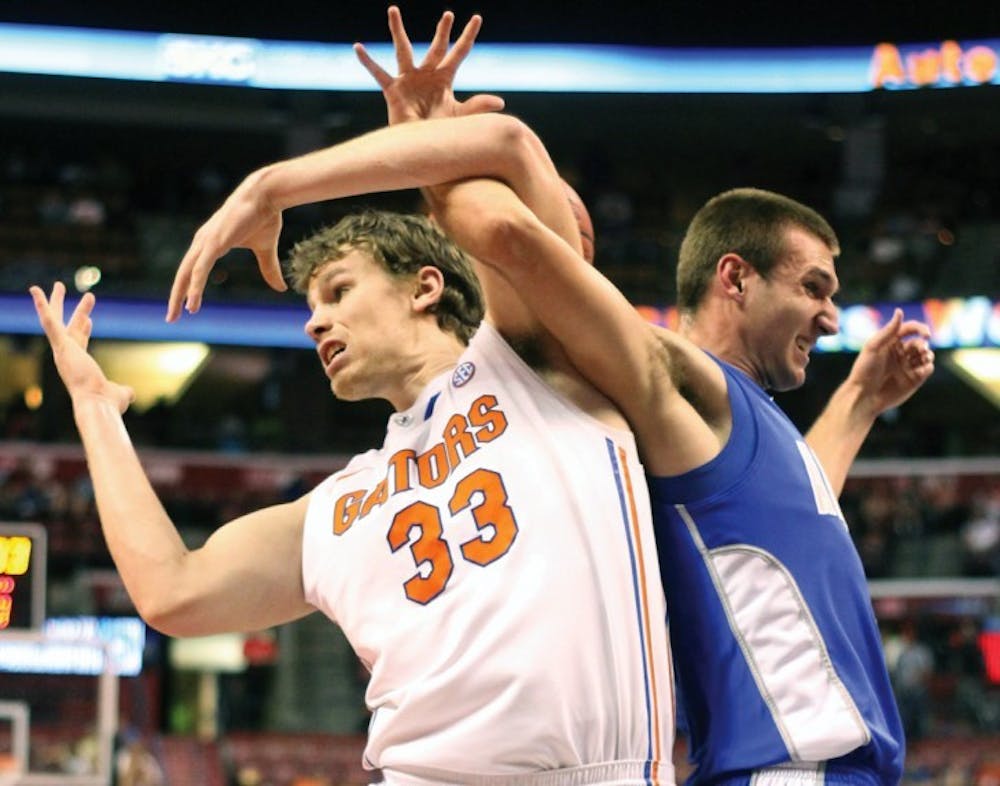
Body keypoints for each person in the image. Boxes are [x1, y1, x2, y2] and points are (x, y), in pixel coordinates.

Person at [163, 8, 934, 784]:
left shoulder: (709, 434)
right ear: (734, 277)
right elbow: (502, 189)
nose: (830, 313)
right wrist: (414, 162)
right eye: (813, 287)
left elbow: (779, 542)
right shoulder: (621, 372)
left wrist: (860, 402)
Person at [30, 15, 675, 786]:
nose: (315, 319)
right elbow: (172, 591)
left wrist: (286, 181)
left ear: (425, 288)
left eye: (339, 290)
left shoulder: (539, 361)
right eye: (313, 303)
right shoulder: (344, 500)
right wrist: (95, 410)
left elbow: (509, 149)